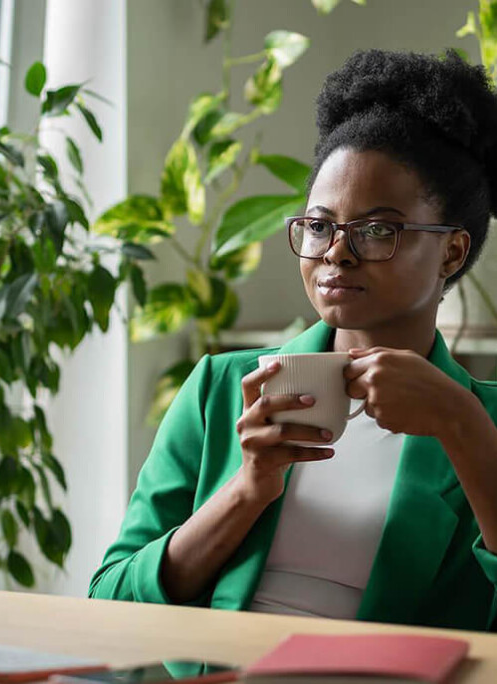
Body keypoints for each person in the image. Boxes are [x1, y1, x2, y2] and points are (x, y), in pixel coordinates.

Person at [88, 49, 497, 632]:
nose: (336, 252)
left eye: (378, 229)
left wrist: (465, 428)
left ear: (452, 252)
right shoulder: (221, 389)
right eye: (319, 225)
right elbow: (110, 604)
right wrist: (248, 490)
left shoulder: (483, 421)